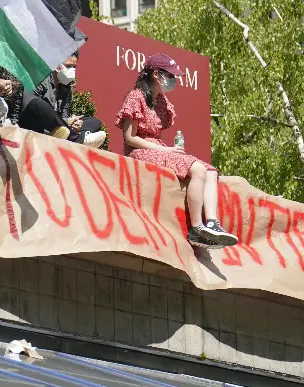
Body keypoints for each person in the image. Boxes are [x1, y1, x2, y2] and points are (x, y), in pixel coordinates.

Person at [117, 54, 237, 247]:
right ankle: (197, 229)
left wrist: (166, 151)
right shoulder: (135, 97)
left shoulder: (161, 100)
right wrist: (165, 151)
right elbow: (130, 138)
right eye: (170, 75)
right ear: (156, 74)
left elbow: (159, 132)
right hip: (138, 151)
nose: (173, 80)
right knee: (197, 170)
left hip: (158, 148)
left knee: (211, 171)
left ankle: (213, 223)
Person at [19, 51, 106, 148]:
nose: (72, 70)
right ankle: (77, 139)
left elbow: (64, 117)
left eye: (74, 67)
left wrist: (74, 123)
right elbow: (29, 106)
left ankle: (72, 137)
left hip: (58, 130)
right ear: (56, 65)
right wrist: (67, 121)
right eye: (68, 66)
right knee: (37, 103)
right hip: (34, 125)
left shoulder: (66, 89)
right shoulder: (40, 78)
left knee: (95, 122)